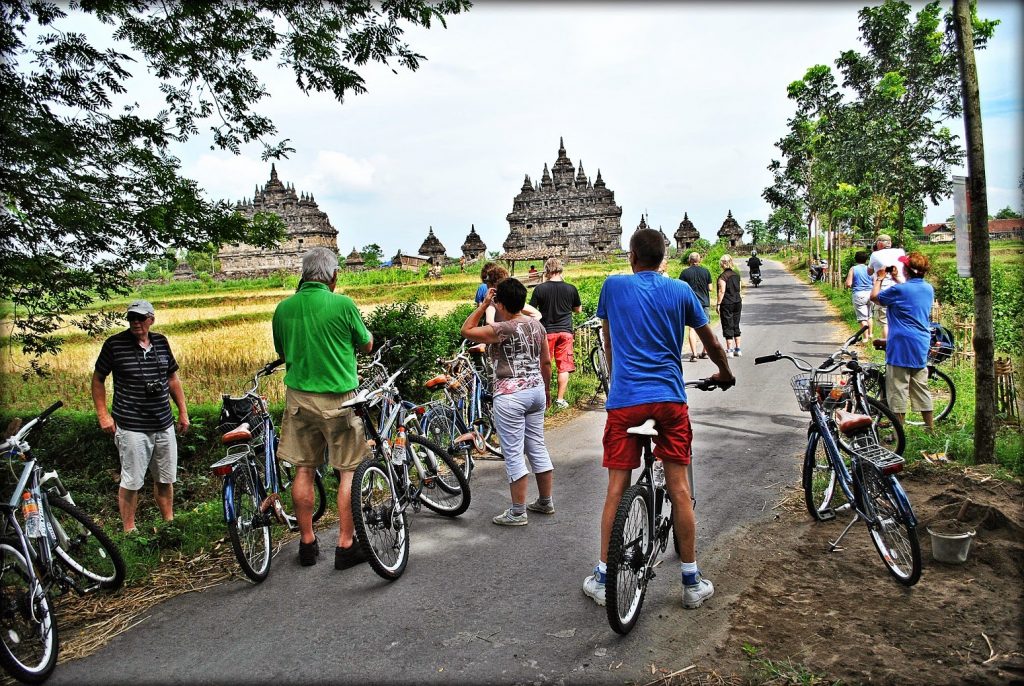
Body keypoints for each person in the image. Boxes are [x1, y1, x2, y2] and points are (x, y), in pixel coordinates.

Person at [582, 228, 734, 610]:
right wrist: (725, 372)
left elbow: (608, 341)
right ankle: (691, 580)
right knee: (680, 489)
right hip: (668, 400)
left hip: (625, 403)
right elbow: (712, 342)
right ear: (665, 257)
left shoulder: (613, 287)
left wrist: (618, 381)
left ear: (631, 256)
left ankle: (603, 577)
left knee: (617, 489)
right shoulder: (681, 291)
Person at [272, 247, 374, 568]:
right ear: (333, 276)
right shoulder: (342, 304)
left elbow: (282, 350)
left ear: (303, 275)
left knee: (304, 468)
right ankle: (345, 546)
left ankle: (307, 542)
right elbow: (366, 343)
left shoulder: (283, 309)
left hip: (299, 399)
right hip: (340, 399)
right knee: (347, 470)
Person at [461, 278, 554, 526]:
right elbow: (546, 362)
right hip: (535, 390)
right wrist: (547, 389)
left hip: (510, 394)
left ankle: (517, 512)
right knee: (536, 445)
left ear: (499, 303)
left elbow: (467, 330)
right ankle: (545, 501)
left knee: (513, 452)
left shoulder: (501, 329)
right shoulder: (537, 326)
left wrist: (483, 306)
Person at [91, 299, 189, 533]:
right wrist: (103, 415)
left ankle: (169, 524)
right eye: (131, 318)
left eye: (140, 318)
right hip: (131, 425)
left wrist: (183, 412)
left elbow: (172, 379)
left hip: (163, 423)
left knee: (165, 478)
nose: (136, 322)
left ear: (151, 319)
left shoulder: (161, 342)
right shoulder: (114, 345)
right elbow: (98, 379)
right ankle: (129, 530)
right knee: (132, 481)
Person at [870, 252, 935, 429]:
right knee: (921, 387)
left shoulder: (899, 290)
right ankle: (930, 429)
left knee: (897, 389)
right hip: (921, 342)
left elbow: (874, 297)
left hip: (900, 344)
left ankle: (898, 431)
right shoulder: (928, 288)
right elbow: (909, 294)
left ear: (907, 269)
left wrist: (879, 278)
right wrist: (898, 279)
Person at [528, 258, 582, 410]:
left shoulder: (540, 289)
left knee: (545, 365)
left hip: (547, 332)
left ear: (547, 271)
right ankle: (560, 399)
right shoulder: (571, 288)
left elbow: (531, 310)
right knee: (563, 366)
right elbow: (578, 309)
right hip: (566, 332)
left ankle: (545, 398)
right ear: (560, 270)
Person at [867, 234, 906, 340]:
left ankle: (888, 349)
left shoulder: (875, 255)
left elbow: (869, 272)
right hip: (901, 289)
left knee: (885, 322)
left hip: (884, 291)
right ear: (890, 243)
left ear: (879, 244)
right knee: (900, 320)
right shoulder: (900, 251)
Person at [679, 252, 713, 362]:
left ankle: (694, 354)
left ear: (689, 260)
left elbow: (680, 288)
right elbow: (711, 288)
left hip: (690, 303)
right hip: (704, 302)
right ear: (700, 260)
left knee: (692, 329)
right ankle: (705, 352)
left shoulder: (685, 273)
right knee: (706, 327)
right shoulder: (706, 271)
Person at [716, 254, 743, 357]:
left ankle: (729, 350)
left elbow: (721, 291)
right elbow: (739, 289)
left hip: (727, 303)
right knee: (736, 324)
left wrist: (718, 304)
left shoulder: (723, 277)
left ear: (722, 263)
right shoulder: (736, 275)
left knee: (728, 324)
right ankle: (738, 349)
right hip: (737, 302)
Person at [845, 250, 874, 338]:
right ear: (866, 259)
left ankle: (865, 338)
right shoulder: (870, 269)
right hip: (870, 293)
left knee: (862, 318)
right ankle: (870, 334)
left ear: (856, 259)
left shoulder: (853, 269)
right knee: (869, 316)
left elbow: (848, 283)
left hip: (859, 294)